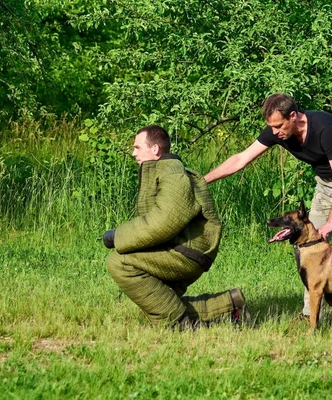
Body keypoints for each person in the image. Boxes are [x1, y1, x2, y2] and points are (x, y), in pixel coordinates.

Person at [204, 93, 332, 335]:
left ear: (294, 116)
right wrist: (204, 180)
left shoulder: (325, 128)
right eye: (271, 127)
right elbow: (241, 159)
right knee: (308, 248)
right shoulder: (276, 130)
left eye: (278, 126)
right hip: (325, 183)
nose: (275, 132)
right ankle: (310, 314)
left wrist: (331, 222)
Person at [103, 125, 249, 329]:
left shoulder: (173, 173)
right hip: (182, 247)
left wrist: (118, 236)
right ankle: (230, 306)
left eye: (137, 147)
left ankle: (181, 324)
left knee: (120, 262)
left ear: (154, 149)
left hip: (186, 251)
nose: (133, 152)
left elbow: (164, 220)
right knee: (158, 302)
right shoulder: (164, 171)